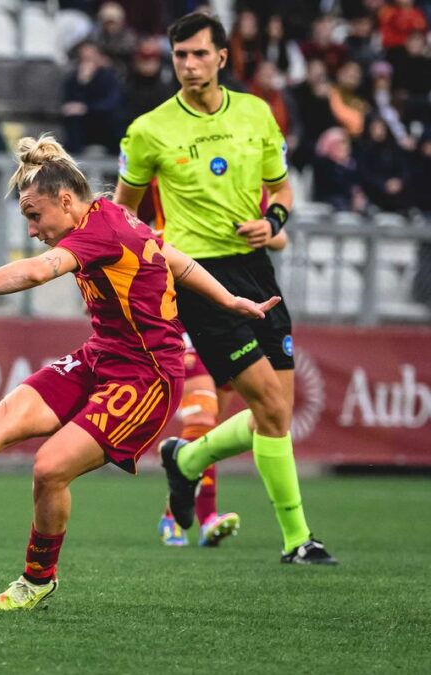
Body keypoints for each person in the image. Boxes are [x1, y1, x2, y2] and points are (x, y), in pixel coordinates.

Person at [0, 135, 282, 611]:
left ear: (65, 200)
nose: (33, 229)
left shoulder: (102, 230)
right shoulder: (111, 217)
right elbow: (175, 260)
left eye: (35, 216)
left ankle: (38, 579)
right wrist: (228, 299)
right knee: (6, 414)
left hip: (147, 378)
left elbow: (37, 273)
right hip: (101, 357)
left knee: (49, 468)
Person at [114, 12, 337, 565]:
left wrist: (275, 222)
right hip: (198, 277)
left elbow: (281, 188)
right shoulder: (149, 130)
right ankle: (297, 539)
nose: (188, 65)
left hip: (257, 269)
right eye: (179, 56)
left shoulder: (258, 114)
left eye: (198, 54)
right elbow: (124, 212)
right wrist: (150, 263)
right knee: (267, 404)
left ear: (221, 57)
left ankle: (186, 462)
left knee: (276, 412)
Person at [60, 41, 124, 153]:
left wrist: (86, 108)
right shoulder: (73, 80)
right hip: (82, 128)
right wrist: (82, 84)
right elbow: (69, 105)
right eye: (84, 59)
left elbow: (111, 103)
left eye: (90, 58)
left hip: (104, 124)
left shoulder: (108, 77)